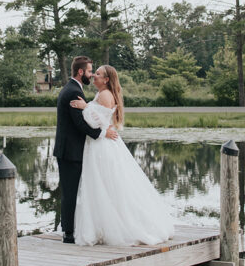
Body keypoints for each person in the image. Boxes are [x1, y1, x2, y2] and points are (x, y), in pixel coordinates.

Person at [70, 65, 174, 246]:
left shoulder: (104, 95)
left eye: (98, 74)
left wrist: (84, 106)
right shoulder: (104, 93)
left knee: (105, 184)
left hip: (102, 146)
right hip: (101, 143)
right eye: (94, 73)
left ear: (107, 79)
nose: (94, 76)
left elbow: (97, 121)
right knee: (104, 185)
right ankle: (103, 224)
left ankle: (117, 226)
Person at [54, 55, 118, 244]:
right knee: (70, 192)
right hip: (70, 152)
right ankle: (68, 233)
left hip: (72, 150)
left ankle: (71, 229)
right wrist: (102, 133)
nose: (92, 75)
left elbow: (87, 117)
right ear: (81, 72)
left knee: (74, 191)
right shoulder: (73, 92)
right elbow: (81, 123)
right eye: (90, 71)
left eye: (94, 72)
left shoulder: (74, 89)